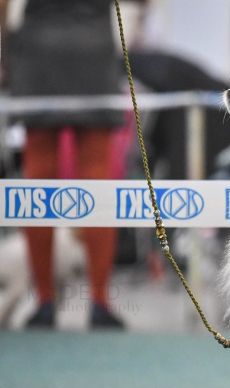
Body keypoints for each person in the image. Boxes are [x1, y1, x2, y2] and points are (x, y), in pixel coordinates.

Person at [3, 0, 144, 328]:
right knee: (97, 175)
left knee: (38, 176)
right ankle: (99, 302)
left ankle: (44, 303)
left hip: (37, 47)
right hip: (92, 47)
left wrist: (5, 50)